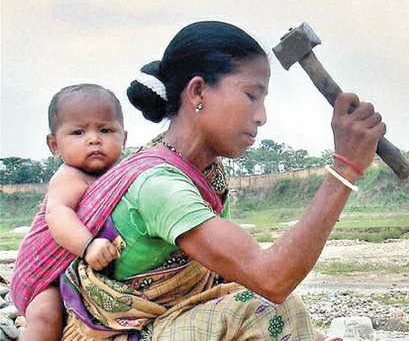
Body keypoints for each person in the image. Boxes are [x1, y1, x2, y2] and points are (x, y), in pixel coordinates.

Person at [34, 20, 384, 340]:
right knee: (271, 308)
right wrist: (346, 168)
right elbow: (272, 279)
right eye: (251, 96)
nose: (261, 117)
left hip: (170, 321)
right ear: (198, 92)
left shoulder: (205, 173)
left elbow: (231, 277)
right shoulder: (160, 185)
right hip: (122, 335)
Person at [10, 84, 127, 341]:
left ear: (124, 138)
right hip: (43, 276)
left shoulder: (121, 175)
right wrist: (88, 246)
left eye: (105, 130)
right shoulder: (69, 176)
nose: (94, 139)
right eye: (78, 132)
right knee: (45, 316)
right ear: (55, 145)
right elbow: (58, 215)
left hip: (76, 273)